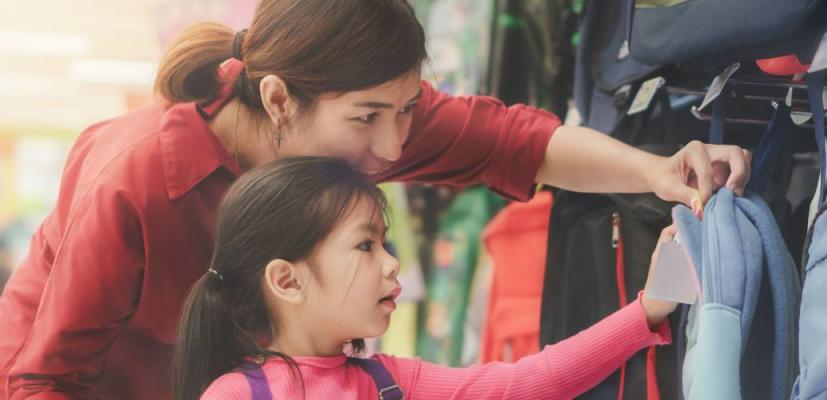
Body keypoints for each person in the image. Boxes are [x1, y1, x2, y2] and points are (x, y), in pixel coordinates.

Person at [0, 0, 748, 398]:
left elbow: (514, 142)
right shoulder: (136, 179)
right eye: (369, 118)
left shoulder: (356, 131)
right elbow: (44, 379)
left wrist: (656, 171)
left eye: (406, 112)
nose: (392, 150)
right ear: (278, 100)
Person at [174, 156, 679, 400]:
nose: (393, 264)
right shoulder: (237, 395)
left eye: (386, 243)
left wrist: (647, 310)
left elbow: (528, 383)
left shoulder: (389, 381)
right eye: (366, 245)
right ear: (287, 281)